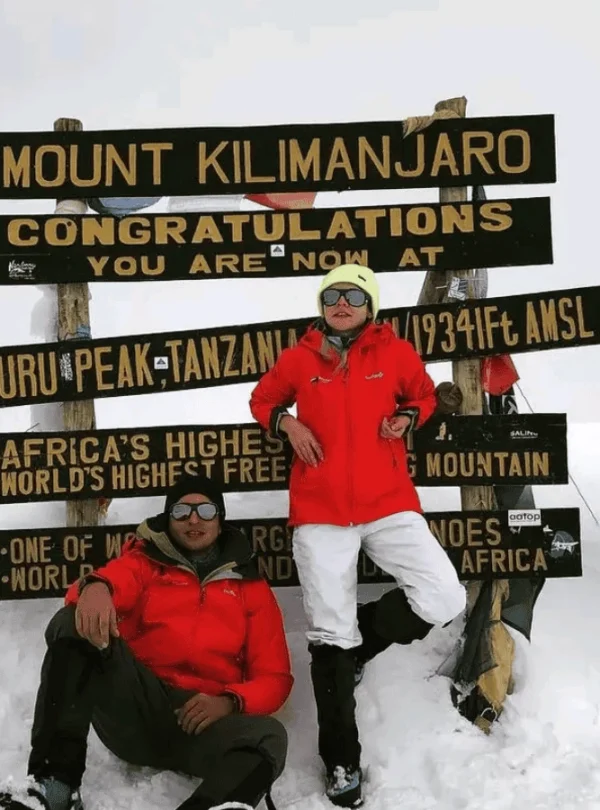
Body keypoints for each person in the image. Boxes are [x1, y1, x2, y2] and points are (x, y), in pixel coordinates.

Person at [249, 263, 466, 807]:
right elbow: (262, 400)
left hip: (388, 504)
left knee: (444, 595)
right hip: (320, 513)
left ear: (370, 305)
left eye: (352, 295)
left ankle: (362, 642)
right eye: (331, 296)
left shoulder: (394, 353)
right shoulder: (300, 358)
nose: (340, 303)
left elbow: (424, 396)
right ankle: (341, 760)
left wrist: (408, 418)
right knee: (328, 633)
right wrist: (288, 424)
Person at [0, 474, 293, 810]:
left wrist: (228, 702)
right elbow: (115, 579)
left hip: (203, 721)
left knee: (270, 737)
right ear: (169, 518)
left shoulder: (250, 587)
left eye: (206, 510)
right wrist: (96, 587)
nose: (193, 519)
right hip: (137, 704)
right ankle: (55, 785)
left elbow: (276, 679)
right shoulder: (146, 563)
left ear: (220, 519)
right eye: (182, 511)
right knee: (72, 622)